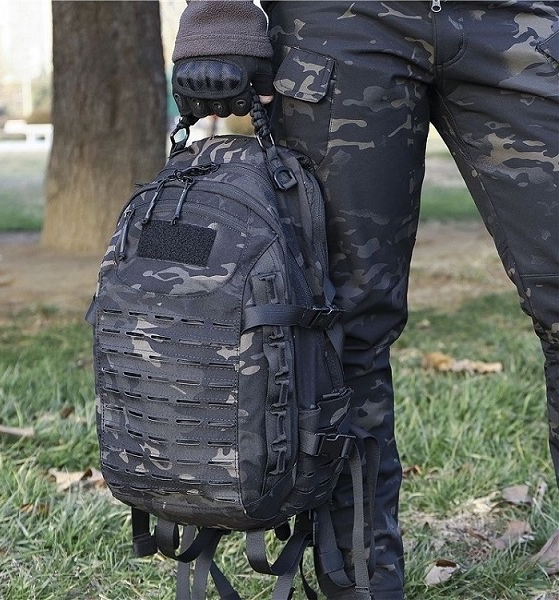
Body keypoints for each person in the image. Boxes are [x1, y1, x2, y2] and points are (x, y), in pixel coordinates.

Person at [170, 2, 559, 598]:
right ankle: (360, 585)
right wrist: (217, 20)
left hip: (521, 18)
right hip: (342, 21)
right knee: (341, 325)